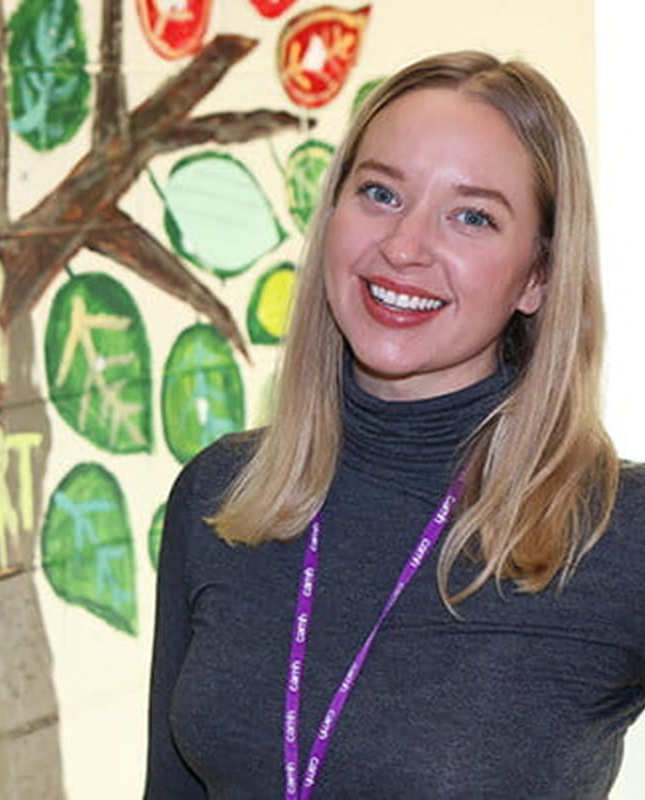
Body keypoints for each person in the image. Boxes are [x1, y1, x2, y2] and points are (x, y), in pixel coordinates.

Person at [145, 50, 645, 799]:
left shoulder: (619, 534)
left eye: (472, 216)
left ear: (538, 275)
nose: (405, 247)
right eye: (380, 193)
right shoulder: (222, 493)